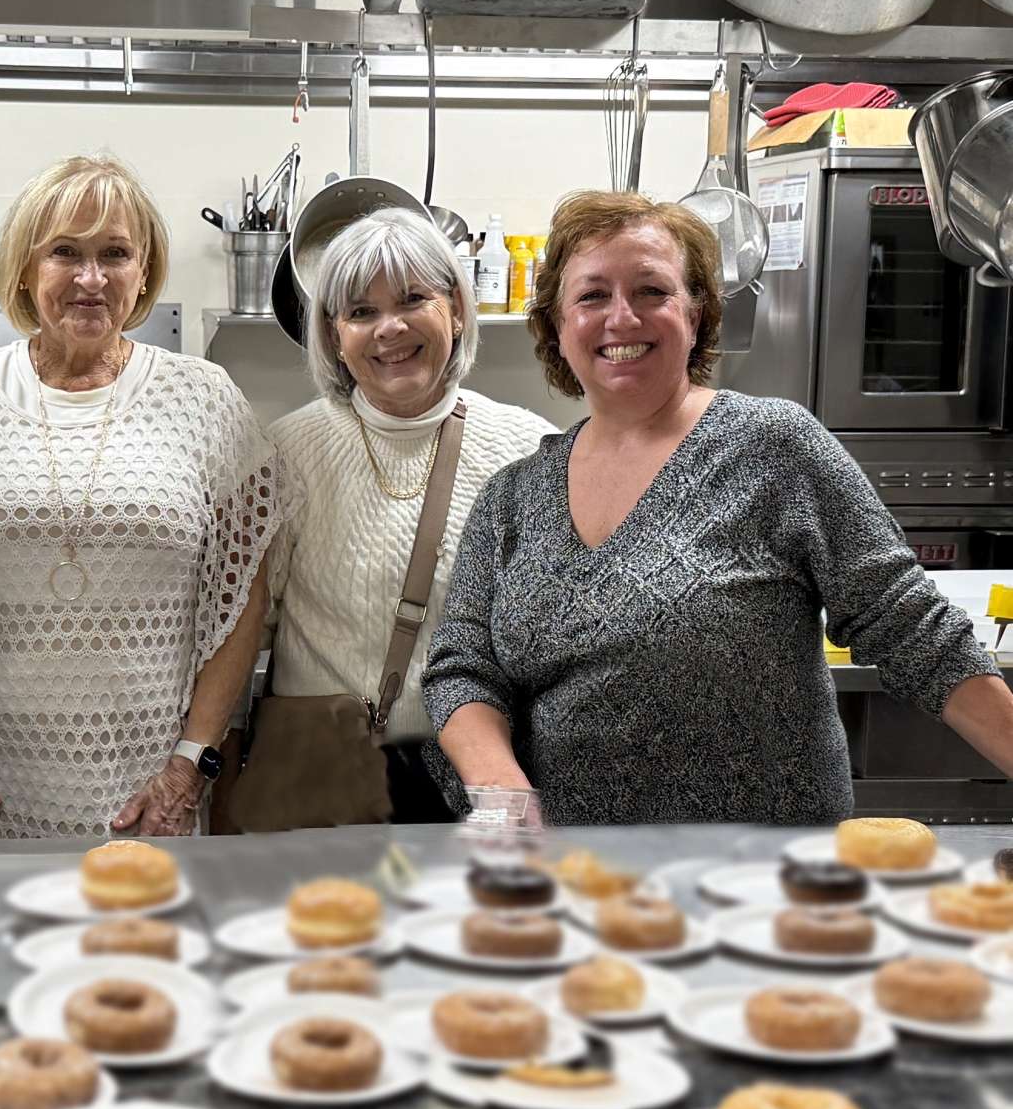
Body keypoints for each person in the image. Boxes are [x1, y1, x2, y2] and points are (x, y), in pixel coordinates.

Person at [422, 189, 1013, 825]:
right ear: (558, 328)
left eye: (652, 291)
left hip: (763, 865)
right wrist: (500, 786)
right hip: (574, 866)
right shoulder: (513, 496)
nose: (622, 317)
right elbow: (463, 668)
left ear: (696, 313)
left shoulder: (774, 447)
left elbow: (910, 627)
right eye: (592, 296)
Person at [0, 154, 282, 838]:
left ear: (144, 271)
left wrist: (191, 762)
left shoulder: (205, 399)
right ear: (24, 267)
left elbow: (244, 595)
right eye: (65, 252)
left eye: (115, 254)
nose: (91, 278)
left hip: (153, 798)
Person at [248, 209, 554, 823]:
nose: (390, 328)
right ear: (334, 335)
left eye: (414, 299)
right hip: (321, 779)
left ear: (457, 309)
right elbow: (248, 627)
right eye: (361, 311)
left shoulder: (527, 450)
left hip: (478, 778)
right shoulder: (286, 453)